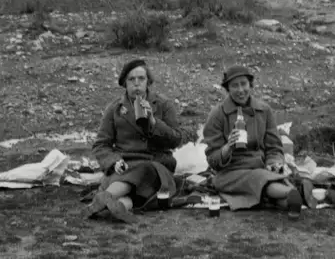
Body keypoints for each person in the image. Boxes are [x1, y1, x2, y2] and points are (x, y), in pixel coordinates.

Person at [86, 59, 182, 223]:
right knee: (132, 182)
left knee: (144, 171)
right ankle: (119, 206)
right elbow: (101, 145)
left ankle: (104, 198)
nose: (136, 83)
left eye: (141, 79)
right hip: (125, 163)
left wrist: (154, 122)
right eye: (131, 79)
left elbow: (176, 139)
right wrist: (114, 162)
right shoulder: (115, 109)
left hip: (155, 164)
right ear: (125, 83)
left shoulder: (163, 105)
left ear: (148, 81)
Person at [203, 65, 303, 218]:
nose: (240, 90)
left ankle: (288, 198)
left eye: (244, 84)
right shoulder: (217, 114)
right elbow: (212, 159)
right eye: (234, 85)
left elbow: (274, 147)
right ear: (228, 89)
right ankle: (290, 193)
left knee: (267, 179)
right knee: (260, 179)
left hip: (260, 167)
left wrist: (274, 163)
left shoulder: (264, 110)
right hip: (230, 174)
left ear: (250, 84)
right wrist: (227, 148)